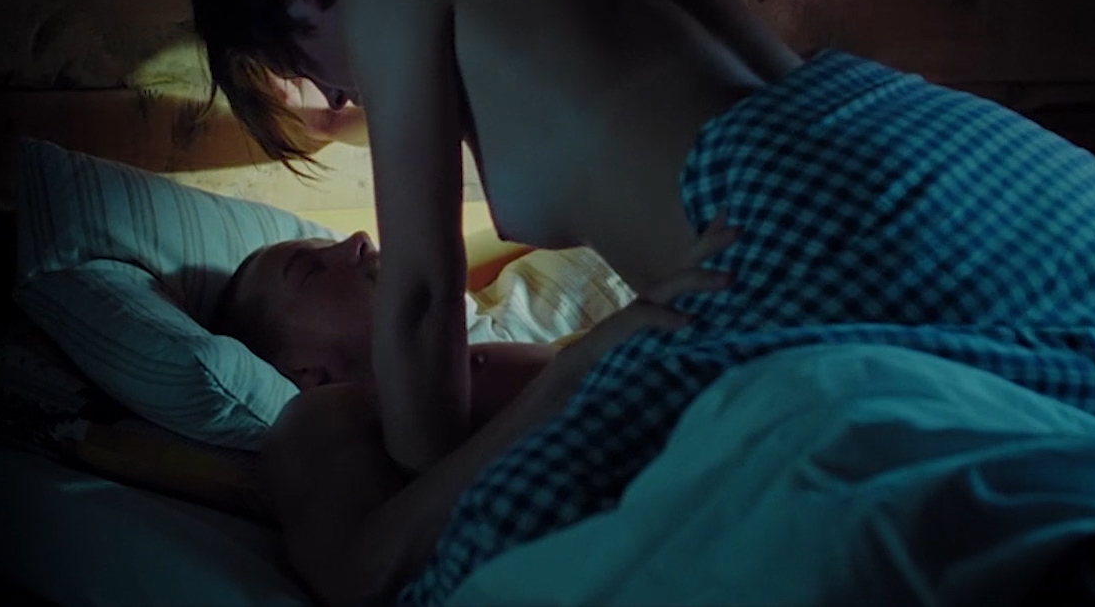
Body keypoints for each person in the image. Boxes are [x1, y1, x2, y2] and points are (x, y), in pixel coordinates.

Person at [183, 0, 1095, 605]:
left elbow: (421, 294)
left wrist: (429, 479)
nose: (351, 95)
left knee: (504, 553)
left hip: (804, 210)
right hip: (993, 169)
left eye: (322, 78)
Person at [212, 228, 738, 606]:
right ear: (304, 370)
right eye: (312, 269)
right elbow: (355, 574)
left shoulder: (484, 356)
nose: (358, 239)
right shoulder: (319, 413)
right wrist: (561, 384)